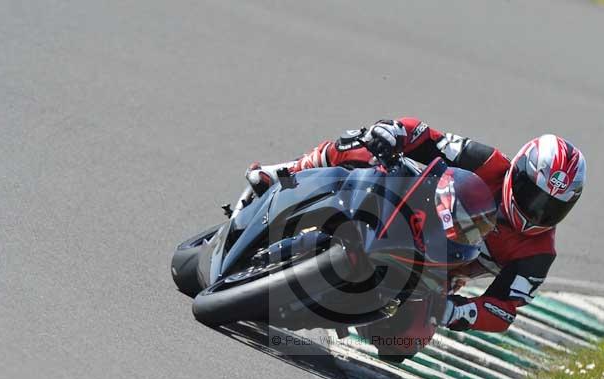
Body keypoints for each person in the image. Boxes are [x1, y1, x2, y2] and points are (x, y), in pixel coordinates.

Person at [246, 118, 586, 359]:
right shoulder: (487, 162)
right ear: (517, 171)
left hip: (432, 275)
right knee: (360, 145)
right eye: (533, 196)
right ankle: (287, 172)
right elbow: (426, 137)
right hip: (408, 213)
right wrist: (393, 132)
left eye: (552, 208)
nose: (536, 212)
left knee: (404, 341)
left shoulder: (538, 252)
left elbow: (504, 309)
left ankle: (329, 309)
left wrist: (458, 311)